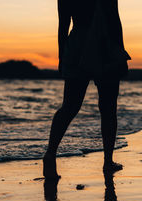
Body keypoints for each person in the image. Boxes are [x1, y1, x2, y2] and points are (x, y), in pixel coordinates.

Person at [43, 0, 131, 179]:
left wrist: (62, 57)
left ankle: (50, 154)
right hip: (104, 45)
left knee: (69, 107)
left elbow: (63, 26)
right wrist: (120, 52)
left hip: (77, 46)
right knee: (108, 108)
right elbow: (114, 19)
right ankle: (108, 162)